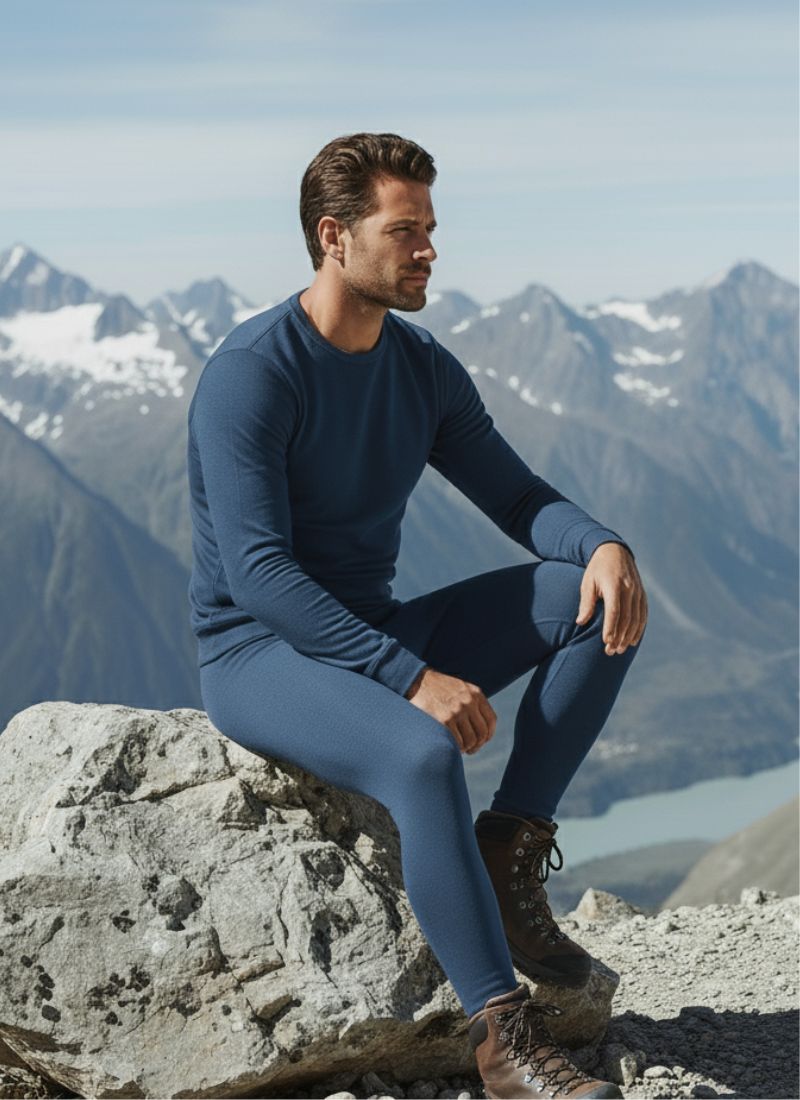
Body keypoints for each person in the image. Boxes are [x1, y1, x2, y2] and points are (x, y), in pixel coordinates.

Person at [186, 131, 648, 1099]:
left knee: (587, 597)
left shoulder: (420, 366)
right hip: (259, 652)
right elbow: (260, 574)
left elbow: (521, 502)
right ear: (332, 237)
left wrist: (601, 541)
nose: (428, 249)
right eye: (405, 231)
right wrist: (409, 679)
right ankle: (501, 1042)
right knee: (421, 750)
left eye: (430, 228)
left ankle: (505, 849)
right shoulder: (250, 374)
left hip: (372, 627)